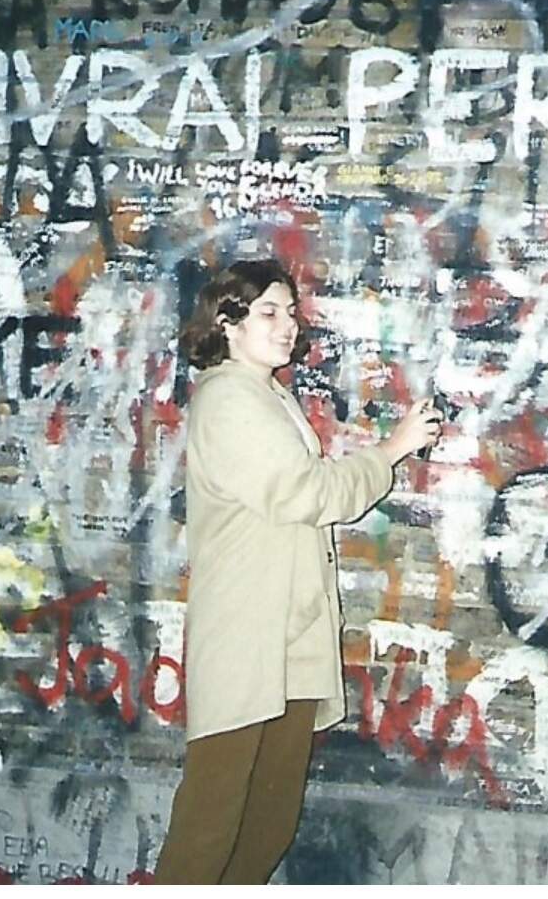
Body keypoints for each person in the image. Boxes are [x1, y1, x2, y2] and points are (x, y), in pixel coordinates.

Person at [156, 259, 440, 884]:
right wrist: (392, 449)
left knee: (267, 823)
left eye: (290, 312)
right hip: (248, 639)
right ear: (227, 323)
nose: (287, 326)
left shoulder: (266, 395)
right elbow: (310, 494)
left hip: (286, 637)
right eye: (268, 313)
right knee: (211, 827)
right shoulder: (229, 398)